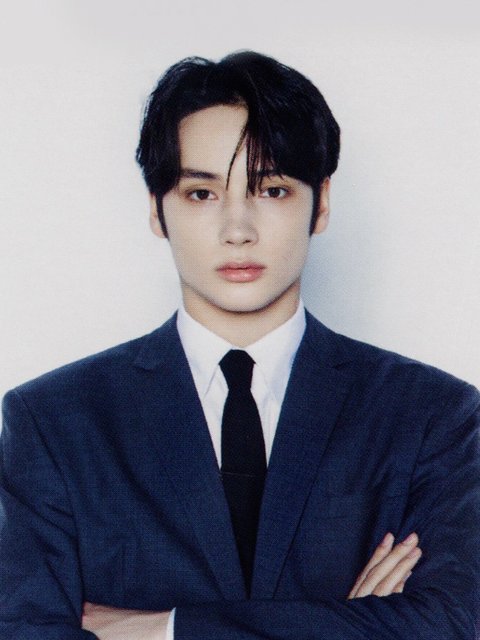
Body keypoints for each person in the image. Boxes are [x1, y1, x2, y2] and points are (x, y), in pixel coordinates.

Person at [1, 51, 479, 640]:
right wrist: (356, 625)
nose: (238, 229)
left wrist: (165, 629)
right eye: (201, 194)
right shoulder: (53, 421)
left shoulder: (432, 414)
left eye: (272, 190)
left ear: (321, 203)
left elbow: (453, 623)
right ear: (156, 209)